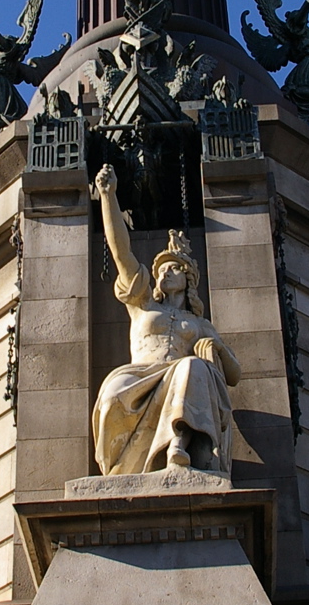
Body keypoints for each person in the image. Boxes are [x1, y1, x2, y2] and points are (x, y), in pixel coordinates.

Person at [91, 164, 241, 475]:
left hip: (181, 378)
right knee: (112, 393)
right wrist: (108, 197)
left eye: (172, 269)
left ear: (188, 279)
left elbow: (234, 374)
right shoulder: (143, 304)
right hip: (139, 375)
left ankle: (177, 445)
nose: (163, 274)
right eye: (160, 271)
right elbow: (122, 254)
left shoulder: (200, 324)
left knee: (189, 367)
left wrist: (216, 347)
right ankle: (122, 464)